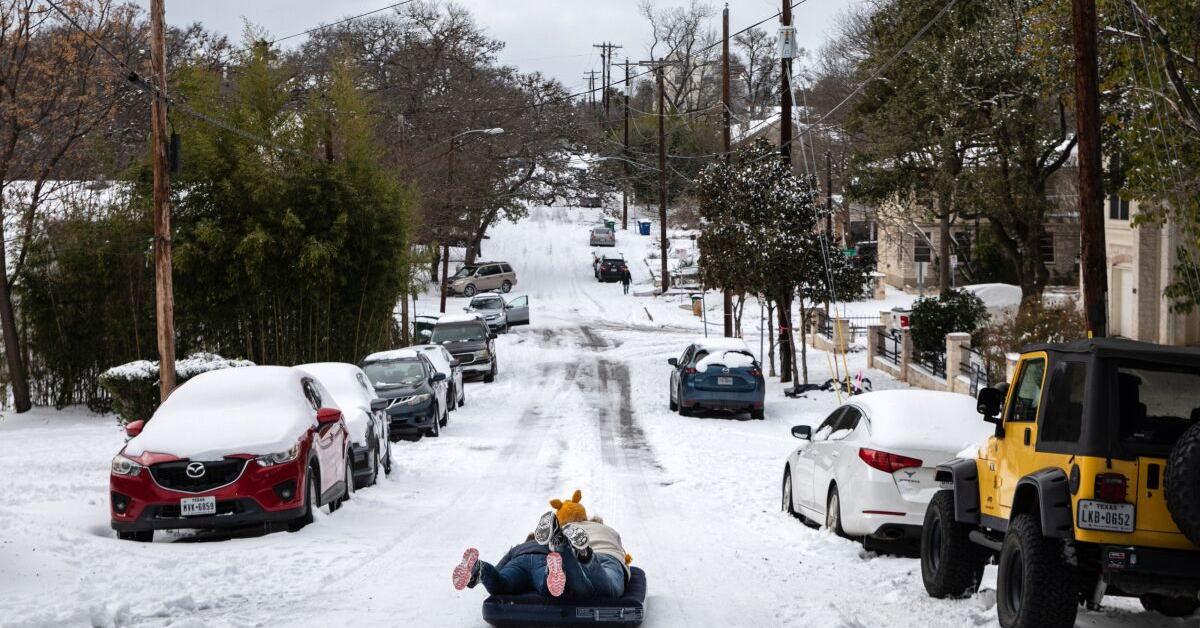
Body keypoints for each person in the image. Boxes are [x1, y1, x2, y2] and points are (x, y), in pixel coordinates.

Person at [452, 490, 630, 599]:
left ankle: (480, 568)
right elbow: (623, 555)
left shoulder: (565, 528)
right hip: (607, 558)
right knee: (608, 591)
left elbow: (501, 566)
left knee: (580, 589)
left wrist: (494, 573)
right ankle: (580, 557)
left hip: (520, 562)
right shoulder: (609, 530)